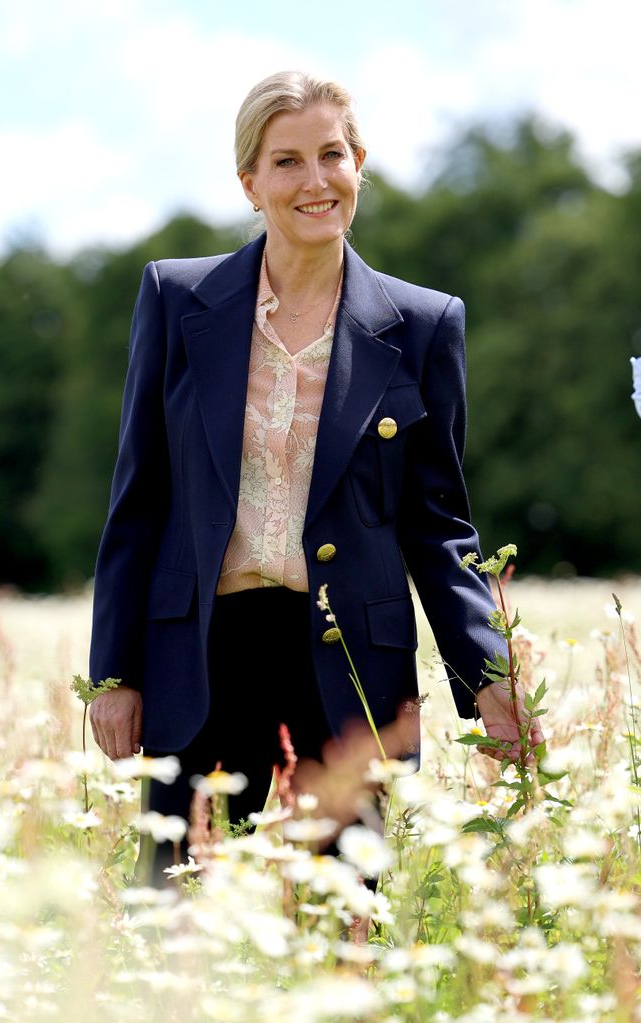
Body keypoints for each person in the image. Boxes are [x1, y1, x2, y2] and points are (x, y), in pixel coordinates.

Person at [88, 71, 544, 885]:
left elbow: (438, 526)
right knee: (177, 916)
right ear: (250, 183)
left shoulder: (425, 325)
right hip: (197, 662)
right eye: (287, 161)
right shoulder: (174, 298)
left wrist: (487, 677)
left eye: (331, 155)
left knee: (341, 929)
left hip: (346, 669)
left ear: (358, 162)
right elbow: (140, 500)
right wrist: (114, 675)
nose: (314, 181)